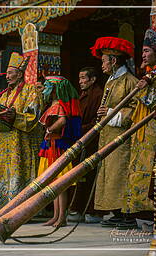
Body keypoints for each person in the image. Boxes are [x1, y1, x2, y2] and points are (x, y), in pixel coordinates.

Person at [0, 52, 43, 218]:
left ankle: (21, 212)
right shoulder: (4, 95)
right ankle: (0, 210)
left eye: (10, 73)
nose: (7, 76)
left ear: (19, 73)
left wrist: (15, 117)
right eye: (7, 73)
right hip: (2, 143)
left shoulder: (31, 91)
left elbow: (34, 116)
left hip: (20, 144)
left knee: (20, 174)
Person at [90, 36, 138, 227]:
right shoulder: (110, 81)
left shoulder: (130, 81)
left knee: (120, 173)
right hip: (107, 135)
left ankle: (129, 215)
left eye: (104, 60)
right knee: (109, 173)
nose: (102, 65)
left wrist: (110, 113)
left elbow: (136, 109)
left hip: (122, 138)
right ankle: (116, 212)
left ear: (114, 60)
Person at [121, 29, 156, 228]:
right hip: (142, 128)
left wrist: (141, 90)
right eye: (143, 52)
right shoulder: (152, 72)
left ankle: (149, 211)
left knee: (150, 169)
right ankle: (135, 211)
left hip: (154, 127)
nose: (144, 55)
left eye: (147, 51)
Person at [37, 76, 82, 227]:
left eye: (47, 86)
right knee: (54, 183)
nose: (45, 88)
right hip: (53, 144)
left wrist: (49, 129)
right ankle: (56, 216)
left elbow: (62, 121)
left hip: (57, 145)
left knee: (60, 183)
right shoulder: (55, 103)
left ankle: (61, 216)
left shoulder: (58, 105)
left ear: (55, 89)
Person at [67, 67, 104, 223]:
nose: (80, 81)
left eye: (84, 78)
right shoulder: (82, 95)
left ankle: (90, 210)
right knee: (79, 175)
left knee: (87, 175)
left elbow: (96, 121)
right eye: (80, 78)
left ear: (93, 79)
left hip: (90, 140)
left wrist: (78, 130)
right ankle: (78, 208)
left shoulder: (97, 95)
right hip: (80, 139)